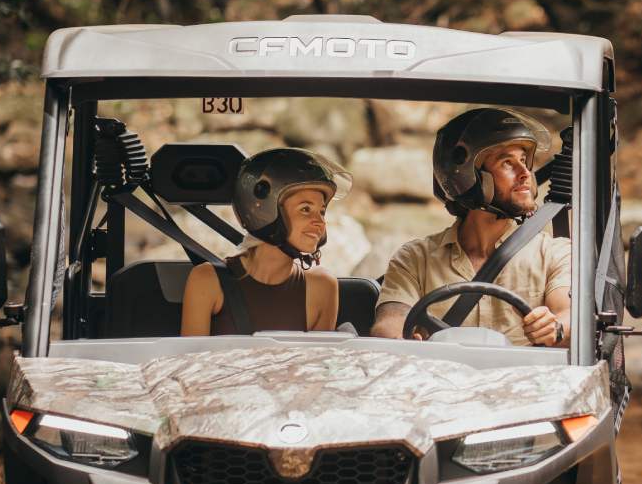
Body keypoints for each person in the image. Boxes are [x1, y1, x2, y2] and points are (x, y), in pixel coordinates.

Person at [371, 108, 571, 347]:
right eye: (508, 162)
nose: (525, 173)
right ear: (467, 176)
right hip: (436, 382)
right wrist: (399, 337)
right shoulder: (415, 258)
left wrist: (555, 327)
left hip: (524, 383)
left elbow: (569, 315)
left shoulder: (555, 253)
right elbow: (390, 321)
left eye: (524, 160)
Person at [180, 148, 347, 336]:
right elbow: (192, 362)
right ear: (265, 211)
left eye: (322, 211)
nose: (320, 222)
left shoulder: (323, 287)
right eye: (306, 209)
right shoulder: (206, 280)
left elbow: (317, 364)